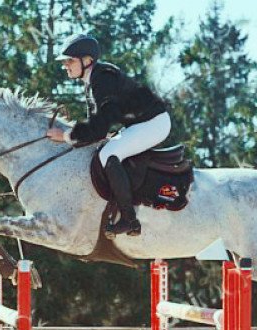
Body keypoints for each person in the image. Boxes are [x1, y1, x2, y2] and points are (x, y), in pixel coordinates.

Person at [46, 33, 171, 238]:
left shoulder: (102, 77)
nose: (65, 65)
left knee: (108, 155)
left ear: (87, 61)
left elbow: (98, 128)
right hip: (142, 123)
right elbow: (95, 125)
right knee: (105, 150)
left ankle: (130, 220)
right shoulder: (93, 79)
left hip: (153, 123)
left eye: (69, 60)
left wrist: (66, 136)